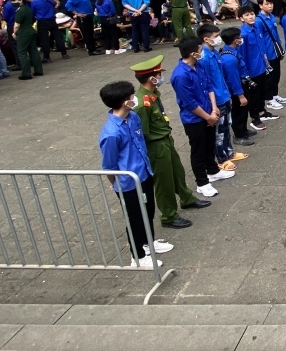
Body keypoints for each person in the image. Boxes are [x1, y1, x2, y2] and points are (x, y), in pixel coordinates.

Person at [131, 55, 211, 222]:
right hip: (156, 146)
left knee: (177, 172)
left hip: (166, 140)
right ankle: (168, 215)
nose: (161, 77)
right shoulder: (142, 104)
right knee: (164, 182)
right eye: (159, 74)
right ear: (152, 78)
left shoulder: (153, 95)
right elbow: (142, 134)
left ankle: (186, 198)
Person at [97, 80, 164, 267]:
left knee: (149, 209)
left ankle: (148, 242)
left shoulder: (133, 117)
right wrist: (115, 183)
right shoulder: (111, 134)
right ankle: (137, 255)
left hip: (144, 173)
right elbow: (109, 166)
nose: (135, 98)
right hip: (128, 181)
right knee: (134, 217)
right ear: (125, 102)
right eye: (131, 96)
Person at [171, 37, 231, 194]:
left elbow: (209, 86)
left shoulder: (199, 66)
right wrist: (208, 116)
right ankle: (202, 182)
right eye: (200, 50)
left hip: (209, 112)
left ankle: (213, 171)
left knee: (209, 145)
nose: (202, 52)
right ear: (192, 53)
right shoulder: (180, 76)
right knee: (198, 150)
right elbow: (189, 103)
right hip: (195, 119)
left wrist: (214, 108)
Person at [198, 24, 240, 170]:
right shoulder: (203, 57)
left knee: (227, 126)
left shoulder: (214, 52)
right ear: (206, 39)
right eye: (215, 36)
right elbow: (206, 82)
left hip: (224, 94)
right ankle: (221, 158)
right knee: (219, 131)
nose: (218, 39)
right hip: (216, 99)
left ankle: (229, 152)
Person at [218, 27, 255, 147]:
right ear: (235, 40)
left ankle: (244, 130)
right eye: (239, 37)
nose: (241, 39)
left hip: (242, 83)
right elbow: (234, 79)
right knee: (238, 112)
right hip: (237, 88)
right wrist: (240, 95)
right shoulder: (229, 59)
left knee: (244, 111)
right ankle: (238, 135)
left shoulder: (232, 51)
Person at [11, 0, 43, 80]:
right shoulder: (28, 9)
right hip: (30, 30)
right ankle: (38, 70)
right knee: (33, 51)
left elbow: (17, 25)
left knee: (22, 53)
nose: (13, 2)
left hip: (23, 33)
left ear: (21, 0)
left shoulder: (20, 11)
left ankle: (26, 73)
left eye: (15, 0)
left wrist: (14, 33)